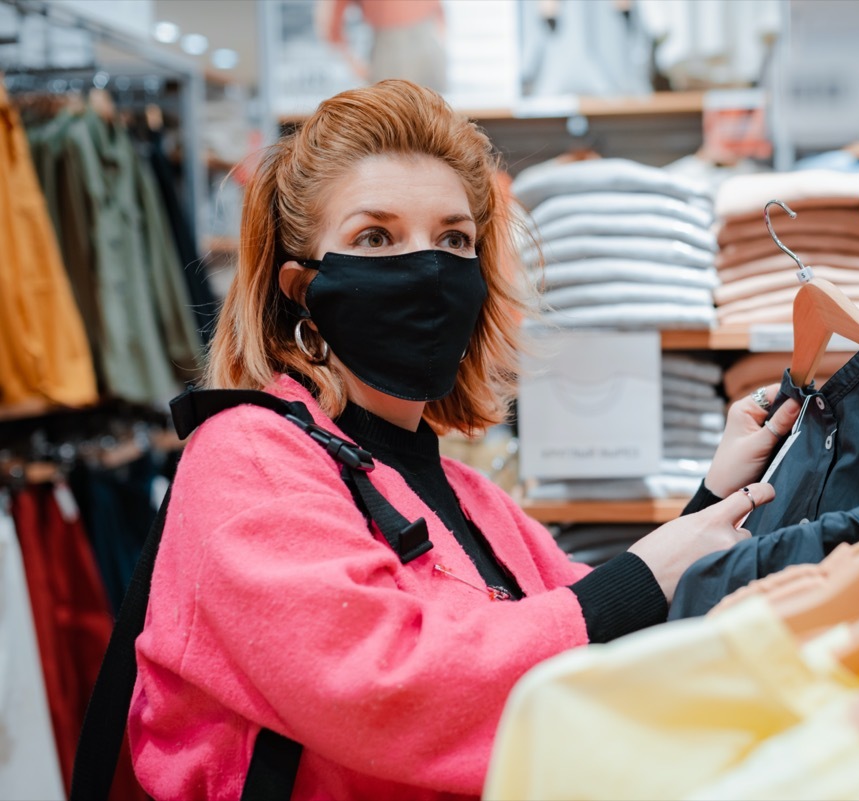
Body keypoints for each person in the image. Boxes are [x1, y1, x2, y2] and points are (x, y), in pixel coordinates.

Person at [127, 79, 797, 800]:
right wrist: (642, 572)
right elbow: (382, 684)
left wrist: (710, 499)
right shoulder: (249, 457)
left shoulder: (462, 495)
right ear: (300, 288)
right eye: (374, 237)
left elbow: (583, 622)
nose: (428, 269)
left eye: (454, 239)